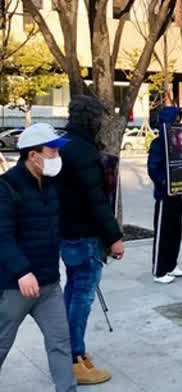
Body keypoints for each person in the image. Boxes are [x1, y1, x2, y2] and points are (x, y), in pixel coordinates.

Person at [0, 124, 76, 392]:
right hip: (15, 286)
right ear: (34, 156)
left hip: (49, 283)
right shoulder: (7, 186)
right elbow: (2, 235)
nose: (57, 156)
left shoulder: (51, 184)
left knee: (60, 341)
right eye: (52, 151)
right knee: (2, 343)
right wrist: (21, 271)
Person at [58, 95, 123, 385]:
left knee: (72, 292)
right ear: (91, 119)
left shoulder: (62, 146)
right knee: (81, 297)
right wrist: (114, 237)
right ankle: (73, 360)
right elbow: (97, 201)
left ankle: (74, 352)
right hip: (84, 236)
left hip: (67, 234)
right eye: (98, 119)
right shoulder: (83, 152)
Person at [148, 106, 182, 284]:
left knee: (175, 231)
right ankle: (159, 270)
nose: (178, 123)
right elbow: (152, 169)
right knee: (163, 233)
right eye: (175, 120)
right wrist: (166, 185)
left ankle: (171, 265)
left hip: (177, 193)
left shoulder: (179, 142)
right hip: (165, 195)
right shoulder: (158, 143)